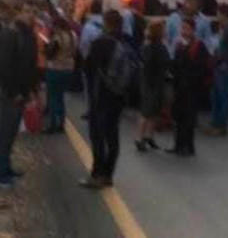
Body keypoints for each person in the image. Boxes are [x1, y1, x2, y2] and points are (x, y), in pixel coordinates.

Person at [0, 1, 40, 187]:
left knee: (11, 133)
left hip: (21, 93)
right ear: (18, 13)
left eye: (33, 11)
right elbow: (2, 67)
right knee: (5, 132)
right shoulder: (11, 35)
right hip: (12, 93)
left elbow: (29, 66)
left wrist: (31, 91)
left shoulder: (27, 35)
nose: (31, 15)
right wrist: (14, 91)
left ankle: (6, 166)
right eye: (27, 11)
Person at [78, 10, 127, 189]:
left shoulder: (100, 43)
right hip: (119, 95)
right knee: (113, 135)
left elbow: (87, 67)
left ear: (106, 23)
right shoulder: (125, 41)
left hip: (100, 95)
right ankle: (108, 174)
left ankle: (97, 173)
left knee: (98, 136)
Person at [168, 19, 210, 156]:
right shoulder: (180, 45)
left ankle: (188, 146)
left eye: (186, 28)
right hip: (179, 86)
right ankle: (178, 144)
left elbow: (202, 67)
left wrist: (192, 79)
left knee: (189, 118)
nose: (183, 31)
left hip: (192, 87)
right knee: (178, 116)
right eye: (182, 28)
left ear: (192, 30)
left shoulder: (198, 46)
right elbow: (175, 64)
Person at [205, 5, 228, 136]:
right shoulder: (225, 28)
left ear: (223, 15)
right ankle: (215, 123)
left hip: (225, 68)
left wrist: (221, 58)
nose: (217, 17)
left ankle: (221, 125)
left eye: (218, 14)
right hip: (220, 67)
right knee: (215, 96)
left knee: (223, 97)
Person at [135, 21, 169, 152]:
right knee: (148, 111)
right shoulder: (157, 48)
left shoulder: (148, 47)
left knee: (152, 111)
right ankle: (140, 138)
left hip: (150, 82)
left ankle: (147, 137)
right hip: (153, 83)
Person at [44, 17, 76, 134]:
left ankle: (53, 123)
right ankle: (61, 123)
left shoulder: (57, 38)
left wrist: (46, 48)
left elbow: (50, 54)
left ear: (58, 26)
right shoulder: (73, 36)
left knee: (53, 97)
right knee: (60, 98)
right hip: (68, 69)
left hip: (55, 69)